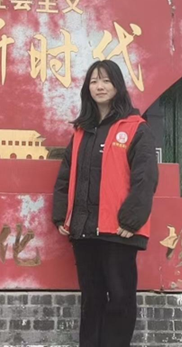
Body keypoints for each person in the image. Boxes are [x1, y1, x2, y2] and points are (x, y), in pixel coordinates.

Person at [52, 59, 159, 347]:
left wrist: (131, 220)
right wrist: (62, 216)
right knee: (92, 299)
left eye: (106, 81)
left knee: (121, 298)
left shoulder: (136, 128)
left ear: (117, 86)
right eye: (94, 81)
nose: (99, 86)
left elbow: (146, 177)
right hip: (84, 230)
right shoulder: (81, 132)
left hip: (119, 231)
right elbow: (65, 176)